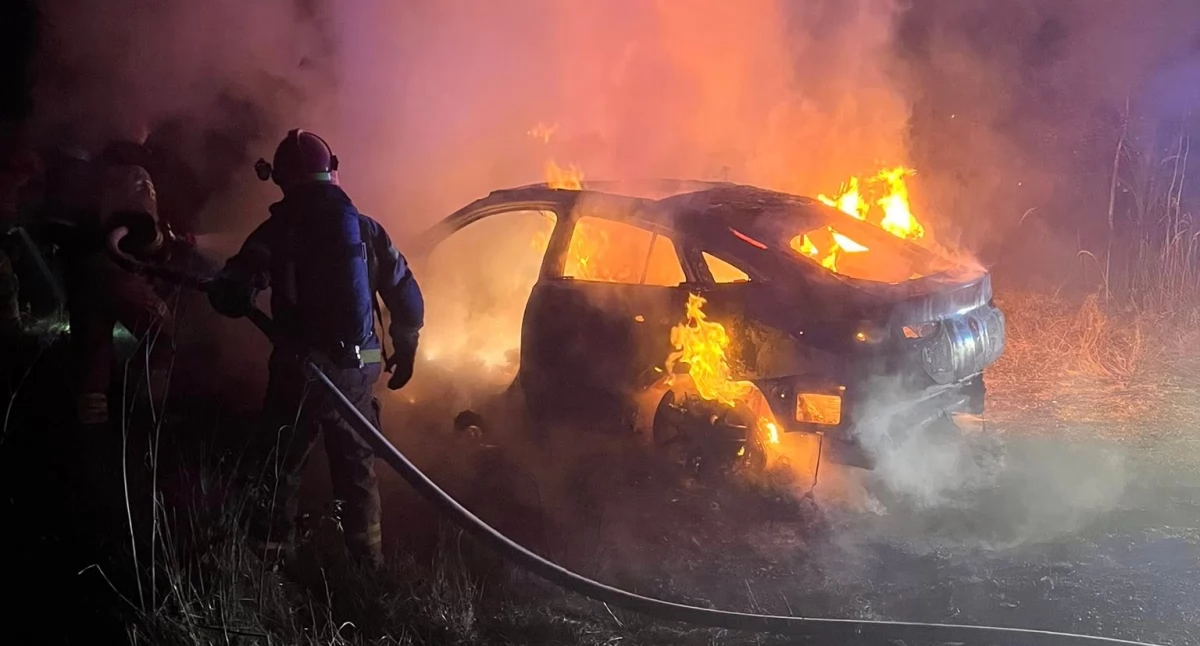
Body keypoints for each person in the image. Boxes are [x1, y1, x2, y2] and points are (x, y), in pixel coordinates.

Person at [208, 129, 423, 567]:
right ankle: (368, 564)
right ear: (333, 170)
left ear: (282, 178)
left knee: (278, 465)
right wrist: (407, 348)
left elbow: (234, 288)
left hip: (301, 372)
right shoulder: (365, 229)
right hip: (357, 373)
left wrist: (230, 290)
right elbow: (407, 296)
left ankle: (270, 564)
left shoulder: (278, 229)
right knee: (357, 468)